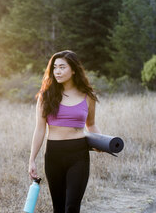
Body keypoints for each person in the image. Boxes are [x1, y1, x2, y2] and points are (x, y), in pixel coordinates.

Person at [28, 50, 101, 213]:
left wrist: (103, 142)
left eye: (62, 67)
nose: (57, 71)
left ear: (73, 69)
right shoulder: (45, 96)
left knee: (72, 207)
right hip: (54, 155)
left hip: (78, 155)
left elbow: (92, 125)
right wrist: (32, 159)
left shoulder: (88, 96)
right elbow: (39, 129)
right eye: (54, 68)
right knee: (59, 208)